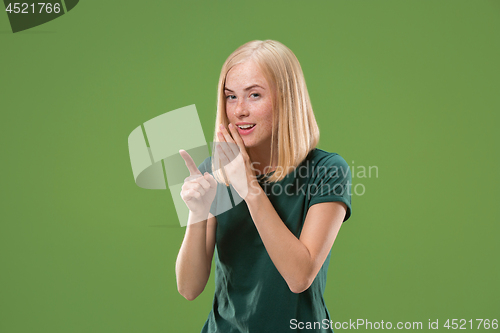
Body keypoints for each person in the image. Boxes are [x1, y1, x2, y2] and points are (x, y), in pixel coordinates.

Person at [175, 40, 352, 333]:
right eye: (231, 97)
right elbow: (189, 288)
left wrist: (249, 188)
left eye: (254, 95)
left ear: (286, 99)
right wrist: (197, 212)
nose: (240, 110)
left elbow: (299, 277)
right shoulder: (213, 172)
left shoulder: (327, 170)